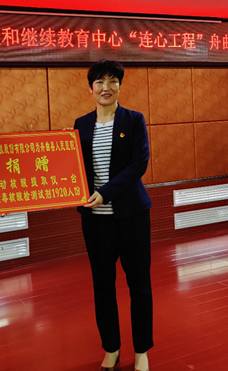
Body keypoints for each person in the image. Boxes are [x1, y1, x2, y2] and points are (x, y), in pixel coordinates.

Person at [73, 59, 153, 371]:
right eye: (99, 82)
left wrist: (105, 193)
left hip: (132, 216)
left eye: (112, 81)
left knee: (139, 285)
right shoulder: (80, 124)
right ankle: (111, 348)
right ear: (90, 88)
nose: (106, 88)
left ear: (119, 85)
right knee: (103, 286)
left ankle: (142, 350)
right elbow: (72, 167)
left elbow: (138, 165)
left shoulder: (134, 120)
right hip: (96, 222)